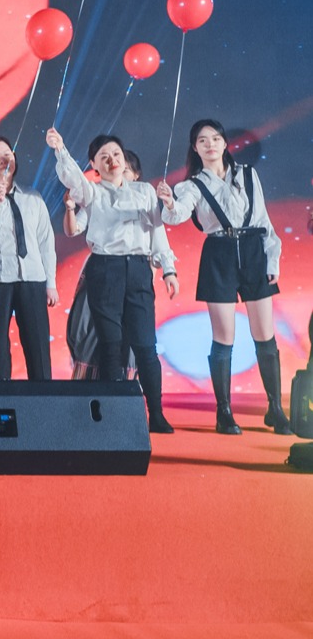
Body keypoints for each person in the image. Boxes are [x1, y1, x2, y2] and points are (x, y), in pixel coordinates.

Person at [162, 119, 289, 435]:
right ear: (195, 148)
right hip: (218, 254)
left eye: (215, 138)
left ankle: (275, 408)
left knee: (265, 335)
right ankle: (224, 412)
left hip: (253, 250)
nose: (210, 145)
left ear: (224, 143)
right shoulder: (191, 185)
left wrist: (272, 259)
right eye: (203, 140)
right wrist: (169, 202)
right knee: (224, 338)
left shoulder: (247, 174)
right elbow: (177, 215)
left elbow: (263, 220)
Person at [48, 128, 174, 433]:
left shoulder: (144, 191)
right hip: (105, 270)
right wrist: (60, 149)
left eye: (116, 153)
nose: (112, 159)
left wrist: (168, 269)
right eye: (103, 156)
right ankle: (113, 415)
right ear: (94, 165)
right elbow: (73, 180)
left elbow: (157, 231)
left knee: (145, 345)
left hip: (139, 269)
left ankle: (156, 413)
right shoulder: (93, 192)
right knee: (111, 344)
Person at [63, 152, 177, 382]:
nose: (119, 173)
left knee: (133, 335)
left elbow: (158, 236)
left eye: (125, 170)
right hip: (101, 274)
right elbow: (74, 229)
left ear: (136, 175)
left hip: (134, 274)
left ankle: (128, 389)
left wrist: (168, 270)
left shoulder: (144, 197)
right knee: (93, 332)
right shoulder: (97, 196)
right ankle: (93, 386)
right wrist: (69, 208)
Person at [0, 136, 58, 384]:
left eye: (8, 155)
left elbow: (46, 241)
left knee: (38, 345)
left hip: (32, 278)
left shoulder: (32, 196)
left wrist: (51, 283)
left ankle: (44, 397)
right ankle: (0, 398)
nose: (4, 160)